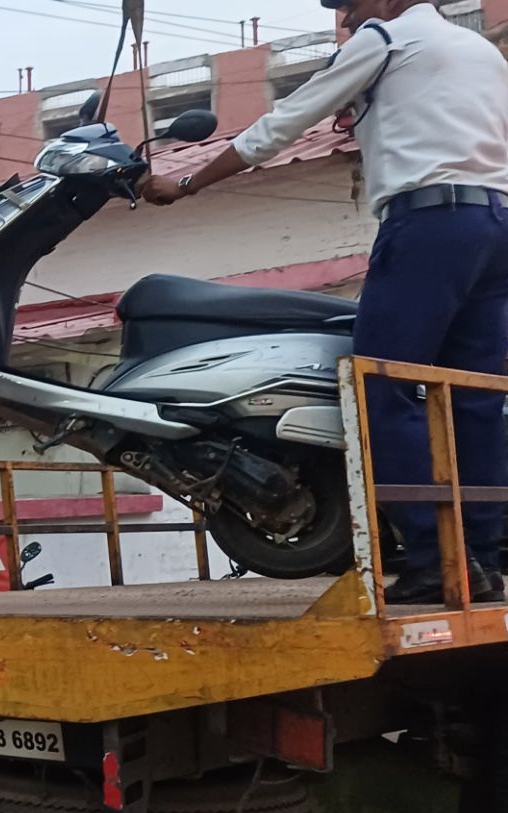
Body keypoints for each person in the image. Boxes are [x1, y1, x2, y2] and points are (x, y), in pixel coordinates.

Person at [138, 0, 508, 605]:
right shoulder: (479, 52)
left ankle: (434, 559)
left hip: (429, 225)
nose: (346, 20)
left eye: (351, 5)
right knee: (474, 400)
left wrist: (184, 183)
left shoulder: (384, 39)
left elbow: (281, 124)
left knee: (379, 388)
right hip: (495, 226)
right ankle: (483, 562)